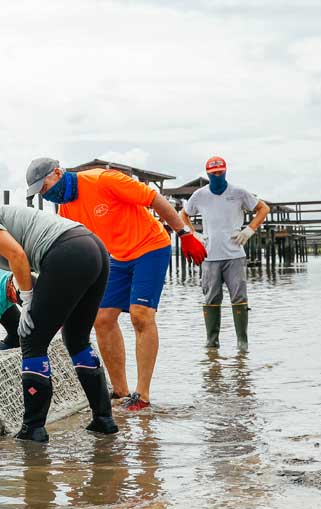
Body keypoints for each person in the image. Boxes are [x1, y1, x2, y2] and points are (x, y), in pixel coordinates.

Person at [0, 193, 116, 442]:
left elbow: (17, 255)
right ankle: (103, 420)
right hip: (92, 248)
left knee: (32, 340)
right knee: (77, 339)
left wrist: (27, 299)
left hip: (66, 250)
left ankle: (33, 429)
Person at [25, 158, 203, 413]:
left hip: (150, 246)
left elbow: (154, 198)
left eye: (45, 186)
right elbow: (77, 255)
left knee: (141, 316)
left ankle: (142, 395)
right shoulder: (65, 212)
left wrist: (184, 234)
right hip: (117, 257)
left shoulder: (103, 179)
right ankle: (121, 391)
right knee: (102, 318)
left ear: (57, 172)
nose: (46, 193)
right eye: (40, 192)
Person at [179, 156, 269, 351]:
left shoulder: (238, 192)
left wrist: (249, 230)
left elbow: (263, 208)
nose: (217, 176)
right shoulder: (199, 195)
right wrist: (194, 234)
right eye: (213, 173)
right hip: (209, 255)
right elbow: (183, 214)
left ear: (226, 171)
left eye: (220, 172)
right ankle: (212, 342)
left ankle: (242, 342)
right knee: (211, 297)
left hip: (235, 254)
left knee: (239, 296)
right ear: (208, 174)